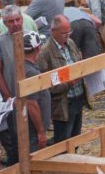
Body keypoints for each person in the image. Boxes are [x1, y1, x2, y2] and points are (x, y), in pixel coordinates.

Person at [37, 16, 87, 144]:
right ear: (53, 31)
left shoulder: (70, 43)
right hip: (63, 102)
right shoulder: (45, 52)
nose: (67, 36)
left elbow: (79, 62)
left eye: (69, 32)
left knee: (76, 138)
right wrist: (68, 84)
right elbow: (44, 84)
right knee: (63, 140)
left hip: (78, 96)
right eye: (64, 33)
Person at [0, 6, 26, 165]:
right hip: (12, 94)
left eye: (18, 20)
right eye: (11, 21)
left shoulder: (30, 36)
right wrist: (8, 97)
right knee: (13, 135)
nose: (16, 24)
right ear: (4, 23)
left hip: (30, 94)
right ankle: (14, 167)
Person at [23, 31, 50, 152]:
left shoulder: (22, 66)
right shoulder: (31, 72)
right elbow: (32, 105)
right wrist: (41, 132)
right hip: (33, 130)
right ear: (38, 48)